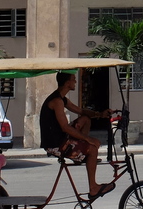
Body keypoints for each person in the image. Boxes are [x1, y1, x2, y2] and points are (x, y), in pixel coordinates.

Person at [40, 72, 113, 201]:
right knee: (93, 148)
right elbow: (65, 127)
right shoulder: (56, 101)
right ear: (67, 83)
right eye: (73, 80)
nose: (75, 82)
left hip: (62, 137)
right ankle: (93, 187)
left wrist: (99, 114)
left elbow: (81, 111)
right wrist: (88, 139)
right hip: (56, 143)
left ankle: (81, 154)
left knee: (85, 119)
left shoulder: (62, 98)